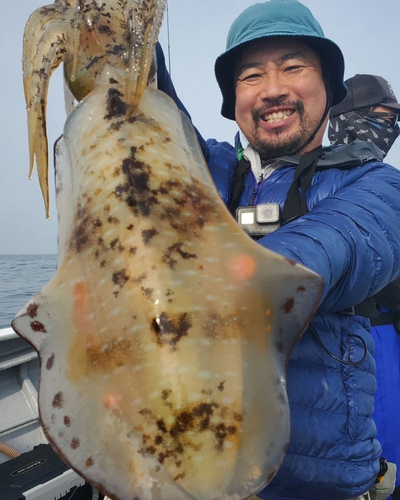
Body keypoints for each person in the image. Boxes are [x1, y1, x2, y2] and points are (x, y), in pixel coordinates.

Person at [156, 1, 400, 499]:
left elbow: (341, 242)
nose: (272, 89)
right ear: (235, 99)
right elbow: (151, 112)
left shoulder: (375, 185)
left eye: (293, 66)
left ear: (329, 89)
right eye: (250, 76)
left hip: (319, 485)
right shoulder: (206, 172)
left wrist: (239, 278)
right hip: (199, 469)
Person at [329, 74, 400, 500]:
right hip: (339, 339)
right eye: (379, 118)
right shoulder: (307, 182)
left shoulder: (389, 186)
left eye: (394, 121)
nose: (388, 130)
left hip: (385, 337)